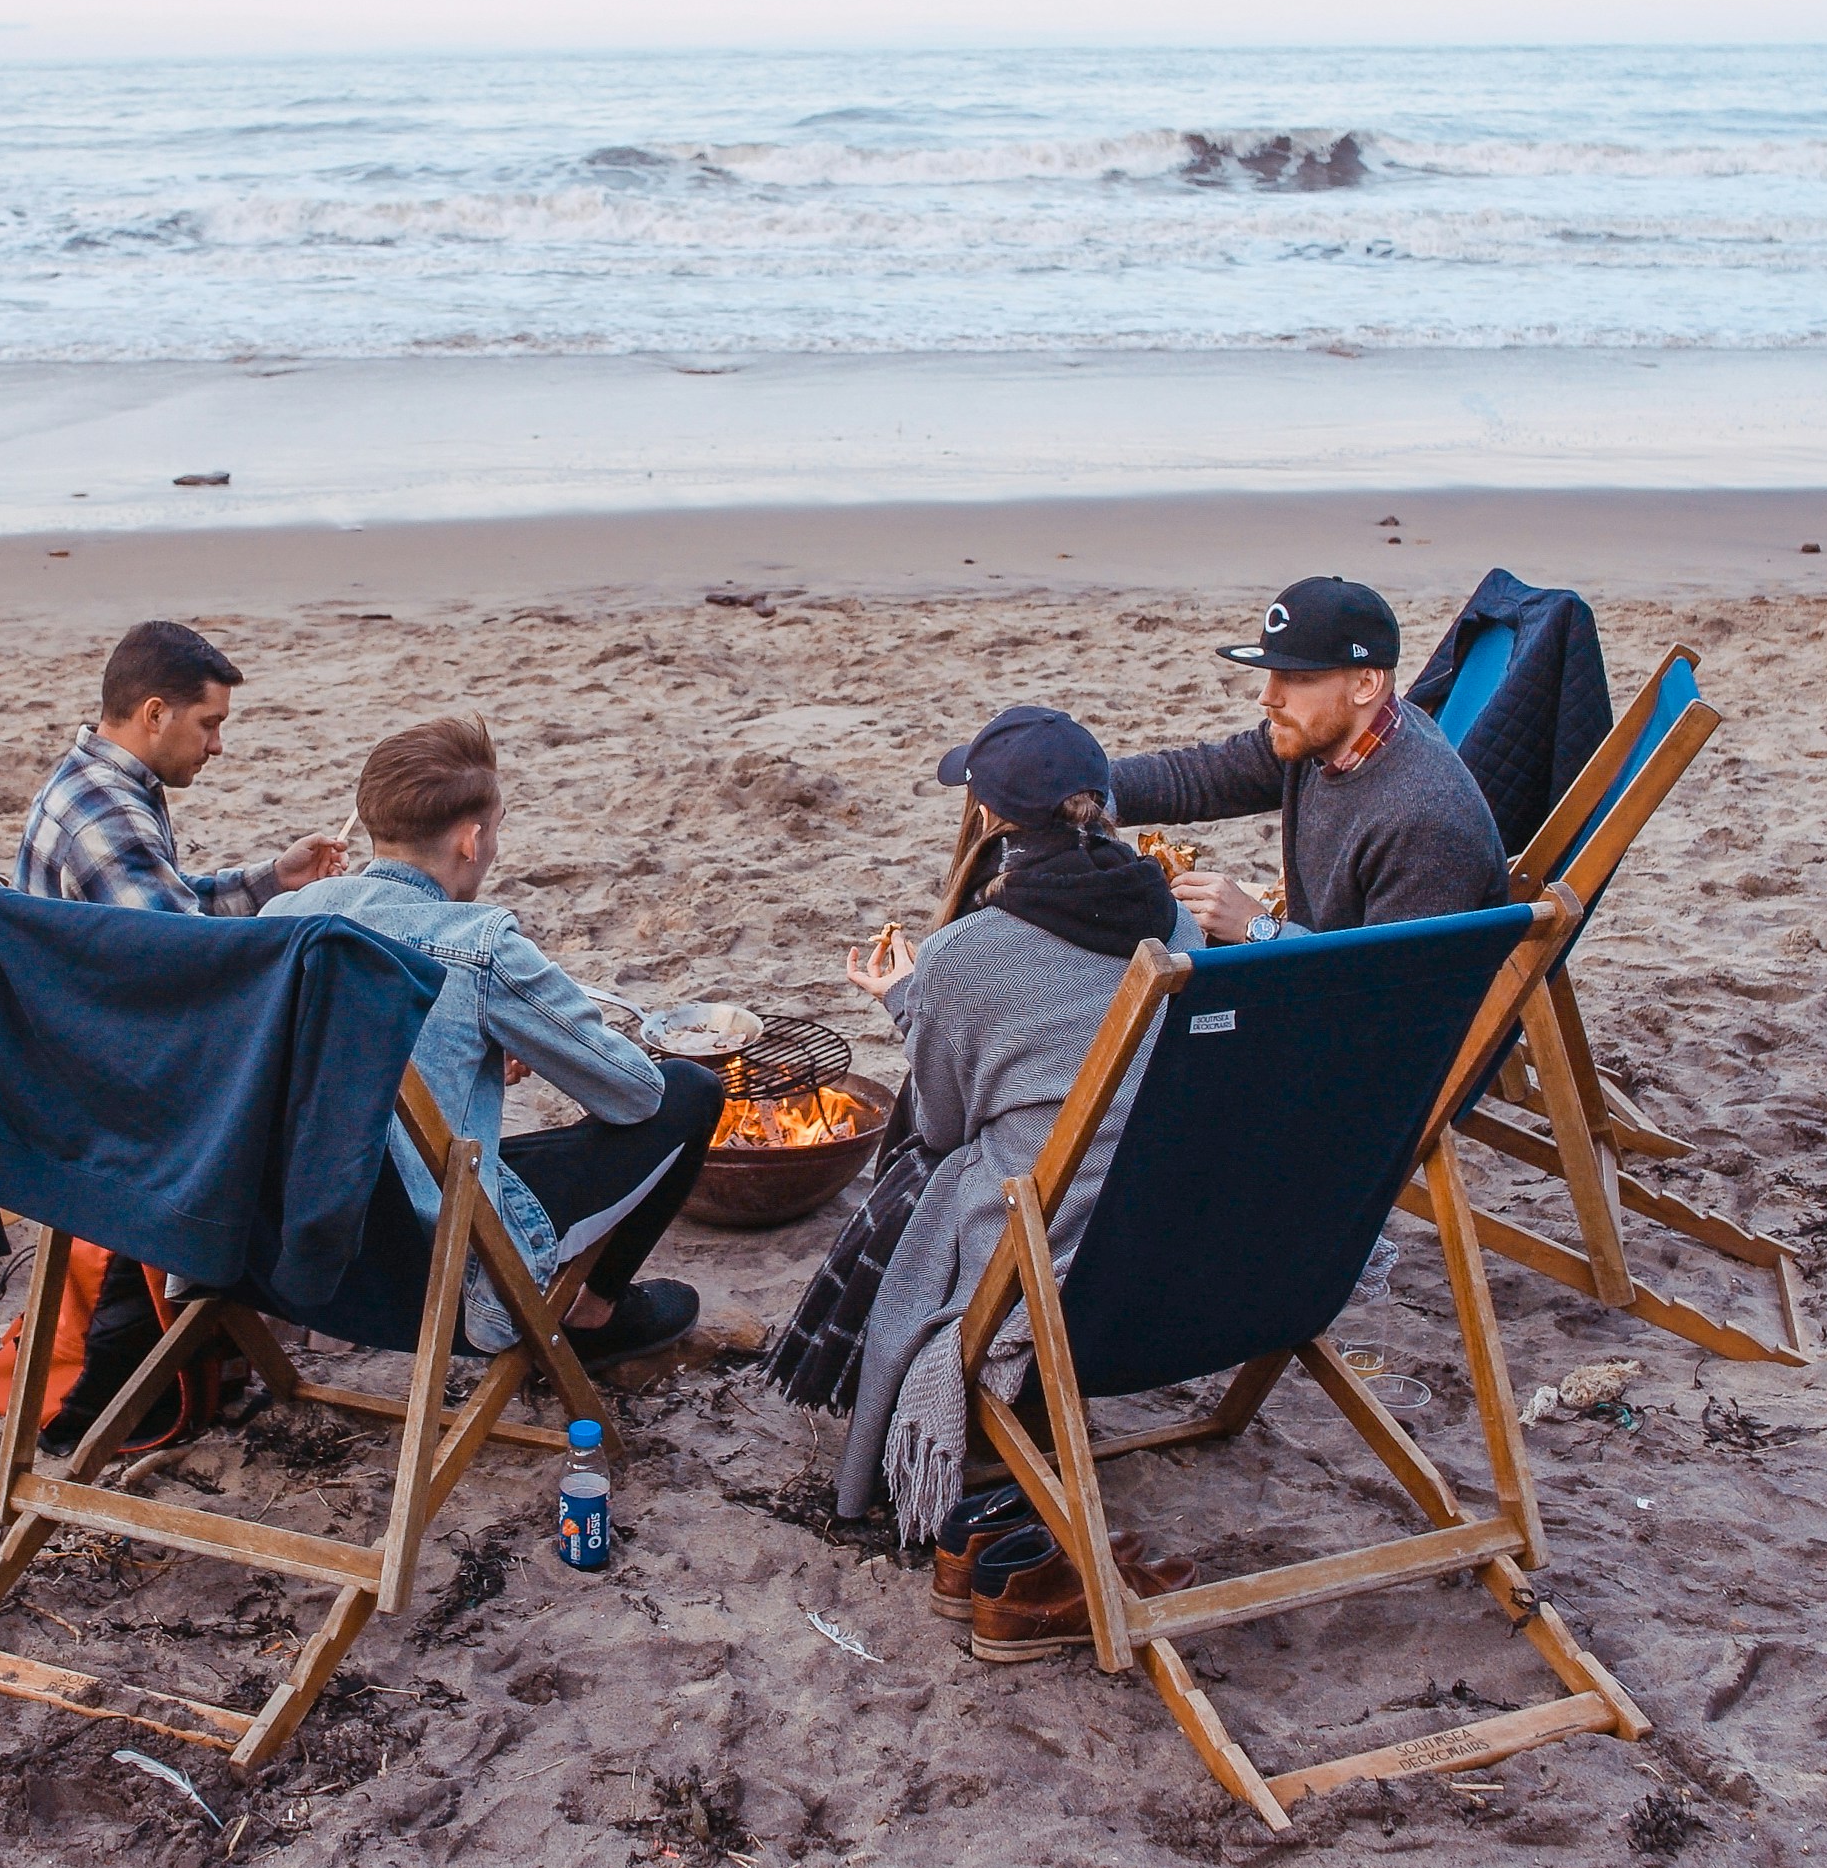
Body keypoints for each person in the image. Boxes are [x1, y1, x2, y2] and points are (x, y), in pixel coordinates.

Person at [784, 705, 1204, 1590]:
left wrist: (911, 999)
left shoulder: (966, 955)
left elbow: (941, 1128)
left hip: (1048, 1259)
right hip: (1169, 1249)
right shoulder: (1177, 925)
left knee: (923, 1176)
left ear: (988, 816)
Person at [263, 715, 716, 1366]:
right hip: (430, 1280)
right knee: (688, 1092)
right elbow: (636, 1095)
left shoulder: (282, 916)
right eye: (497, 828)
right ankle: (590, 1314)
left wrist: (459, 1057)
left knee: (473, 1146)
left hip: (288, 1261)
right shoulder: (479, 945)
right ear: (471, 840)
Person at [1109, 575, 1507, 941]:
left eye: (1297, 679)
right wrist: (1081, 785)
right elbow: (1199, 777)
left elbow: (1389, 992)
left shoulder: (1422, 820)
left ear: (1366, 684)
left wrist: (1257, 927)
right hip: (1322, 972)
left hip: (1355, 1005)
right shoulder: (1323, 739)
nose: (1269, 697)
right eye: (1271, 674)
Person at [17, 620, 348, 913]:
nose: (217, 746)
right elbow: (187, 955)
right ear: (156, 715)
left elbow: (166, 893)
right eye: (208, 724)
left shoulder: (88, 776)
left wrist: (276, 879)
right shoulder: (108, 813)